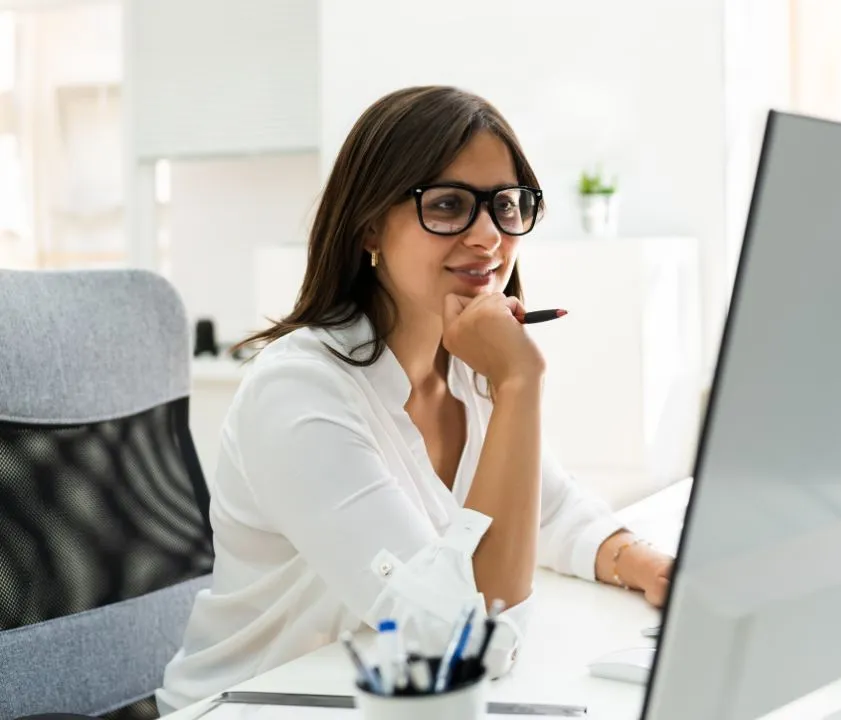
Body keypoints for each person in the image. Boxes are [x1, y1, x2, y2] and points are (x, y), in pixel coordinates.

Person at [157, 86, 674, 712]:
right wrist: (521, 384)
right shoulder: (297, 394)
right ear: (371, 223)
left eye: (507, 205)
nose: (489, 237)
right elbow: (461, 643)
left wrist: (641, 563)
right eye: (451, 205)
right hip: (260, 706)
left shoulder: (468, 370)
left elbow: (553, 511)